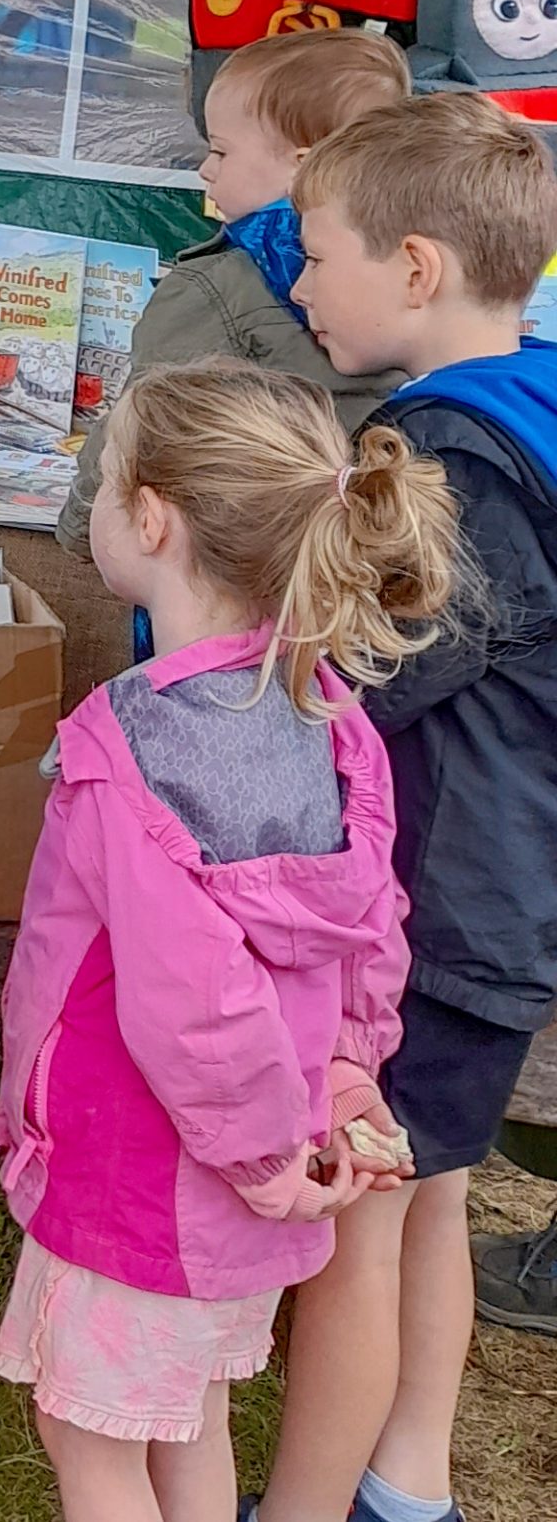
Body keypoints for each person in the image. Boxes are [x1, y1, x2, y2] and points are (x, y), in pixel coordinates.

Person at [0, 358, 464, 1522]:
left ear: (149, 519)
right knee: (183, 1416)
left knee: (88, 1433)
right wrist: (336, 1085)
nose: (95, 503)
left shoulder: (125, 745)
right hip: (260, 1166)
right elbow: (370, 937)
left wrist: (257, 1156)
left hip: (140, 1175)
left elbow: (188, 1002)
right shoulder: (331, 718)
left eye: (102, 481)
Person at [259, 93, 557, 1522]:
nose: (298, 282)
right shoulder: (535, 405)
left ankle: (312, 1506)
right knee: (430, 1197)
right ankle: (409, 1481)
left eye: (316, 254)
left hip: (433, 916)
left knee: (360, 1226)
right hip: (500, 899)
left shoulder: (448, 461)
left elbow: (372, 678)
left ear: (418, 267)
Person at [58, 30, 413, 557]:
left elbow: (136, 429)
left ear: (304, 164)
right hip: (357, 548)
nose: (206, 168)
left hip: (231, 561)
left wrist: (76, 528)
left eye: (220, 150)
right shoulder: (403, 270)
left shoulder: (215, 285)